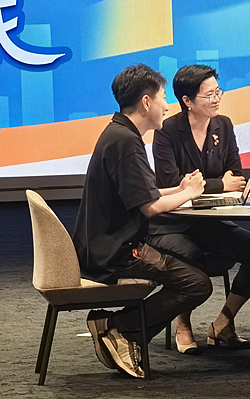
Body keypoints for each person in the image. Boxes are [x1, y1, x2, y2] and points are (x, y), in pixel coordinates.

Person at [72, 64, 212, 378]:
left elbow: (140, 193)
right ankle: (120, 328)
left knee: (191, 262)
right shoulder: (125, 142)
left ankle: (122, 331)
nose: (168, 105)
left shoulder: (119, 134)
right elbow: (150, 207)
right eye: (163, 97)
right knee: (197, 284)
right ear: (146, 102)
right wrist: (189, 193)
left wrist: (179, 189)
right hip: (115, 253)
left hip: (108, 245)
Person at [148, 64, 250, 354]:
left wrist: (214, 185)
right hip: (174, 223)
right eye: (208, 95)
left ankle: (223, 322)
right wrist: (219, 184)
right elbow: (171, 182)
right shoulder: (167, 131)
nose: (216, 99)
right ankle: (183, 324)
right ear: (187, 101)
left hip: (211, 220)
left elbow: (236, 176)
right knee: (191, 254)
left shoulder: (223, 125)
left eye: (217, 92)